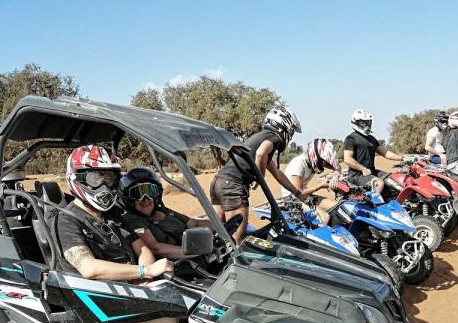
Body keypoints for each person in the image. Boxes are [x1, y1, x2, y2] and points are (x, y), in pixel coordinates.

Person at [55, 145, 182, 323]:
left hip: (126, 292)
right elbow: (89, 268)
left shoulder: (112, 216)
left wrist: (144, 274)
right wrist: (144, 273)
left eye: (109, 178)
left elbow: (142, 248)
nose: (104, 186)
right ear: (78, 179)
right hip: (98, 300)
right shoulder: (67, 221)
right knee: (164, 308)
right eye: (96, 178)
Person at [210, 106, 305, 244]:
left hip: (218, 182)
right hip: (233, 185)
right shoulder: (274, 137)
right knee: (237, 239)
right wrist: (259, 178)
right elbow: (261, 153)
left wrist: (297, 192)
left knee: (219, 232)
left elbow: (278, 174)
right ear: (286, 126)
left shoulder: (260, 137)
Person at [118, 166, 213, 260]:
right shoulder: (132, 220)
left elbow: (193, 223)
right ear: (128, 198)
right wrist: (197, 252)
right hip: (178, 266)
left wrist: (222, 228)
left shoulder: (162, 210)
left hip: (194, 252)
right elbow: (156, 248)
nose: (145, 199)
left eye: (151, 192)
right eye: (138, 193)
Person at [281, 138, 342, 224]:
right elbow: (299, 192)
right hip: (292, 198)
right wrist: (320, 186)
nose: (323, 165)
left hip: (305, 196)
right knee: (325, 217)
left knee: (336, 207)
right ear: (315, 156)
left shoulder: (312, 162)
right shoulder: (298, 164)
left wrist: (336, 174)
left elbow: (337, 167)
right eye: (322, 162)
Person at [343, 109, 404, 194]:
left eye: (368, 122)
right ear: (356, 123)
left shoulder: (371, 138)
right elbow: (347, 159)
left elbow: (386, 153)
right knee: (379, 183)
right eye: (364, 122)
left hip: (372, 171)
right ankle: (375, 205)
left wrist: (403, 158)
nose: (367, 124)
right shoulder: (351, 138)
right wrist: (363, 169)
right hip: (356, 175)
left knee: (394, 179)